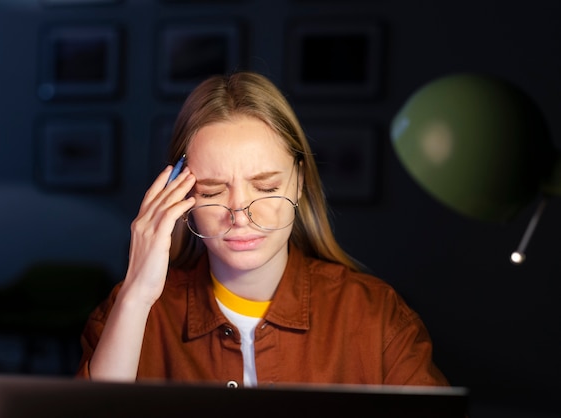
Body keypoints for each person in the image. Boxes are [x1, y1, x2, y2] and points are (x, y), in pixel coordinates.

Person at [76, 71, 449, 387]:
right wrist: (137, 295)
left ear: (299, 182)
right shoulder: (130, 313)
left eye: (266, 187)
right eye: (211, 190)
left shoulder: (377, 315)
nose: (240, 215)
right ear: (180, 196)